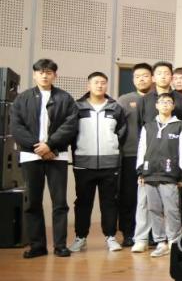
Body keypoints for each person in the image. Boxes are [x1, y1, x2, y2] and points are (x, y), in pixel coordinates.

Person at [11, 58, 78, 258]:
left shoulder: (65, 98)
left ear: (55, 75)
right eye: (41, 72)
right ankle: (37, 246)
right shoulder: (22, 99)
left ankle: (60, 245)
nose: (44, 75)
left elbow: (70, 125)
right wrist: (38, 147)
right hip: (30, 156)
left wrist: (50, 145)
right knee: (33, 202)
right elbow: (16, 127)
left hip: (57, 156)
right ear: (34, 75)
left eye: (49, 72)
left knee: (60, 203)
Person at [71, 72, 128, 253]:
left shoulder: (115, 108)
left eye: (103, 82)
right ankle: (80, 237)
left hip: (110, 164)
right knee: (83, 202)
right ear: (88, 86)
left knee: (109, 202)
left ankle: (110, 237)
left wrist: (113, 147)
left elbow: (122, 132)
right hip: (83, 163)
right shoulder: (77, 107)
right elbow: (71, 132)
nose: (100, 85)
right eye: (96, 82)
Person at [133, 92, 182, 257]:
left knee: (172, 210)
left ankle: (174, 241)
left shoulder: (180, 126)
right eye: (162, 102)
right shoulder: (148, 126)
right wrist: (141, 172)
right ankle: (160, 242)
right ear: (156, 105)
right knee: (154, 209)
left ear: (173, 106)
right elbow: (141, 150)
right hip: (149, 174)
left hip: (170, 175)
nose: (165, 104)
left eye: (169, 102)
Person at [115, 62, 153, 248]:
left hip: (154, 156)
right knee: (128, 196)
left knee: (152, 198)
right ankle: (128, 233)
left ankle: (152, 234)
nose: (141, 79)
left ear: (152, 78)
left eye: (145, 76)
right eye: (137, 77)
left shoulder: (159, 99)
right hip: (129, 155)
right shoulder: (124, 100)